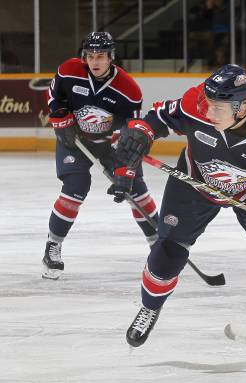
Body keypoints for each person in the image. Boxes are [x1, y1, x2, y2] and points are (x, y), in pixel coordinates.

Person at [116, 64, 246, 369]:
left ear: (243, 107)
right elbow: (160, 117)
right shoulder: (197, 102)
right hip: (194, 183)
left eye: (218, 107)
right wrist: (141, 132)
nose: (208, 110)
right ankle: (149, 307)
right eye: (208, 102)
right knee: (168, 253)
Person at [42, 32, 159, 280]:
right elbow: (54, 95)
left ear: (111, 58)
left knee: (136, 190)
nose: (95, 62)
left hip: (113, 145)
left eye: (101, 56)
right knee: (75, 186)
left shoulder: (128, 90)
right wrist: (60, 115)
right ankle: (53, 246)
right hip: (75, 141)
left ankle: (159, 245)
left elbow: (134, 134)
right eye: (91, 56)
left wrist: (125, 171)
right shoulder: (69, 70)